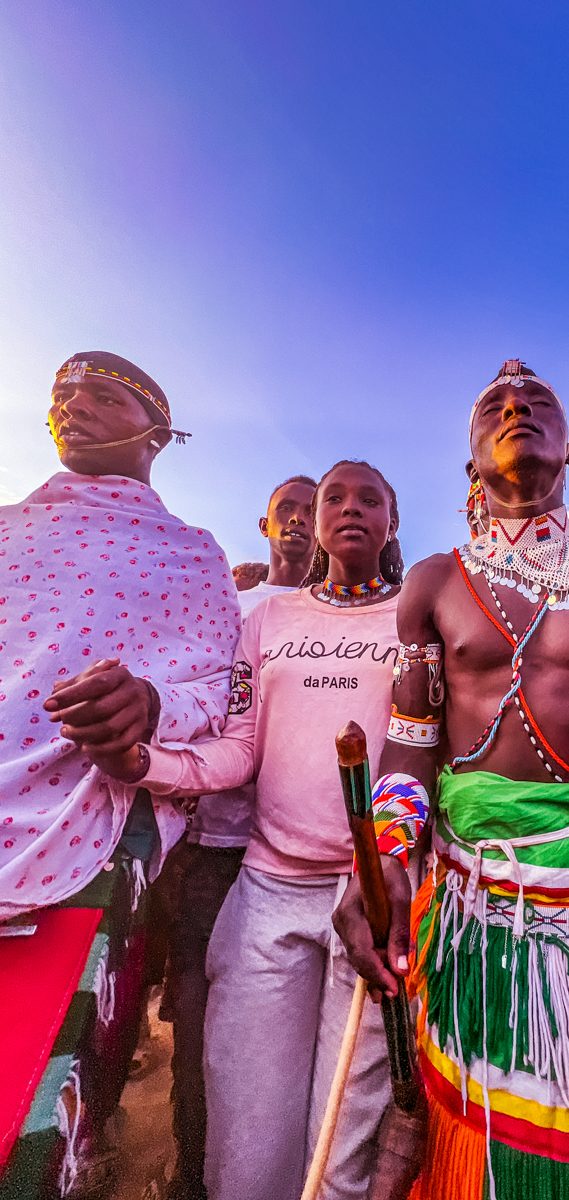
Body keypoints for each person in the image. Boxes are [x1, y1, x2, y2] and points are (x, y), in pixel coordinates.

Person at [335, 360, 569, 1199]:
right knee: (477, 1143)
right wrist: (384, 855)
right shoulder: (431, 582)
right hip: (470, 904)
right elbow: (411, 745)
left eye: (538, 402)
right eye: (493, 405)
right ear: (469, 464)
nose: (517, 405)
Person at [82, 460, 412, 1200]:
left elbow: (426, 753)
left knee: (341, 1151)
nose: (349, 509)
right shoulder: (265, 620)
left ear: (393, 520)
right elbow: (238, 749)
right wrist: (143, 762)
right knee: (247, 1142)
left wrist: (394, 860)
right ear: (317, 519)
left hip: (376, 904)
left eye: (371, 499)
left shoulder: (416, 615)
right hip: (266, 894)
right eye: (336, 497)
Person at [0, 352, 239, 1196]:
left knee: (32, 1097)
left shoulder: (193, 553)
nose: (75, 407)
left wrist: (148, 707)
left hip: (92, 819)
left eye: (102, 396)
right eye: (64, 395)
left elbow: (218, 693)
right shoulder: (2, 527)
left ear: (156, 434)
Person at [167, 474, 316, 1200]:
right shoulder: (236, 605)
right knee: (200, 1036)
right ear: (265, 525)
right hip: (213, 850)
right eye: (285, 511)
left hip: (303, 864)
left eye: (309, 511)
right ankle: (194, 1174)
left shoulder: (354, 614)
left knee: (293, 1039)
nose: (299, 522)